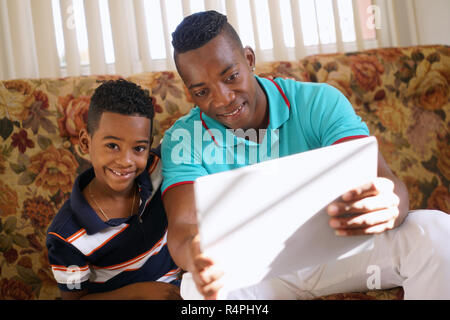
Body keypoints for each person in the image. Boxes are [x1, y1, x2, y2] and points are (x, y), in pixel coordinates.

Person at [161, 10, 450, 300]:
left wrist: (389, 204)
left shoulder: (318, 101)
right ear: (189, 93)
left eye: (231, 76)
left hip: (342, 253)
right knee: (195, 289)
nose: (223, 98)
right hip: (257, 272)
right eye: (202, 92)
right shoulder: (183, 139)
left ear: (249, 59)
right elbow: (183, 226)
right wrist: (196, 253)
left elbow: (386, 182)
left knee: (436, 230)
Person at [46, 79, 181, 299]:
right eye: (112, 146)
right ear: (85, 142)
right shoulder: (66, 235)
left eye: (138, 148)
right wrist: (142, 293)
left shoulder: (158, 168)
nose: (126, 161)